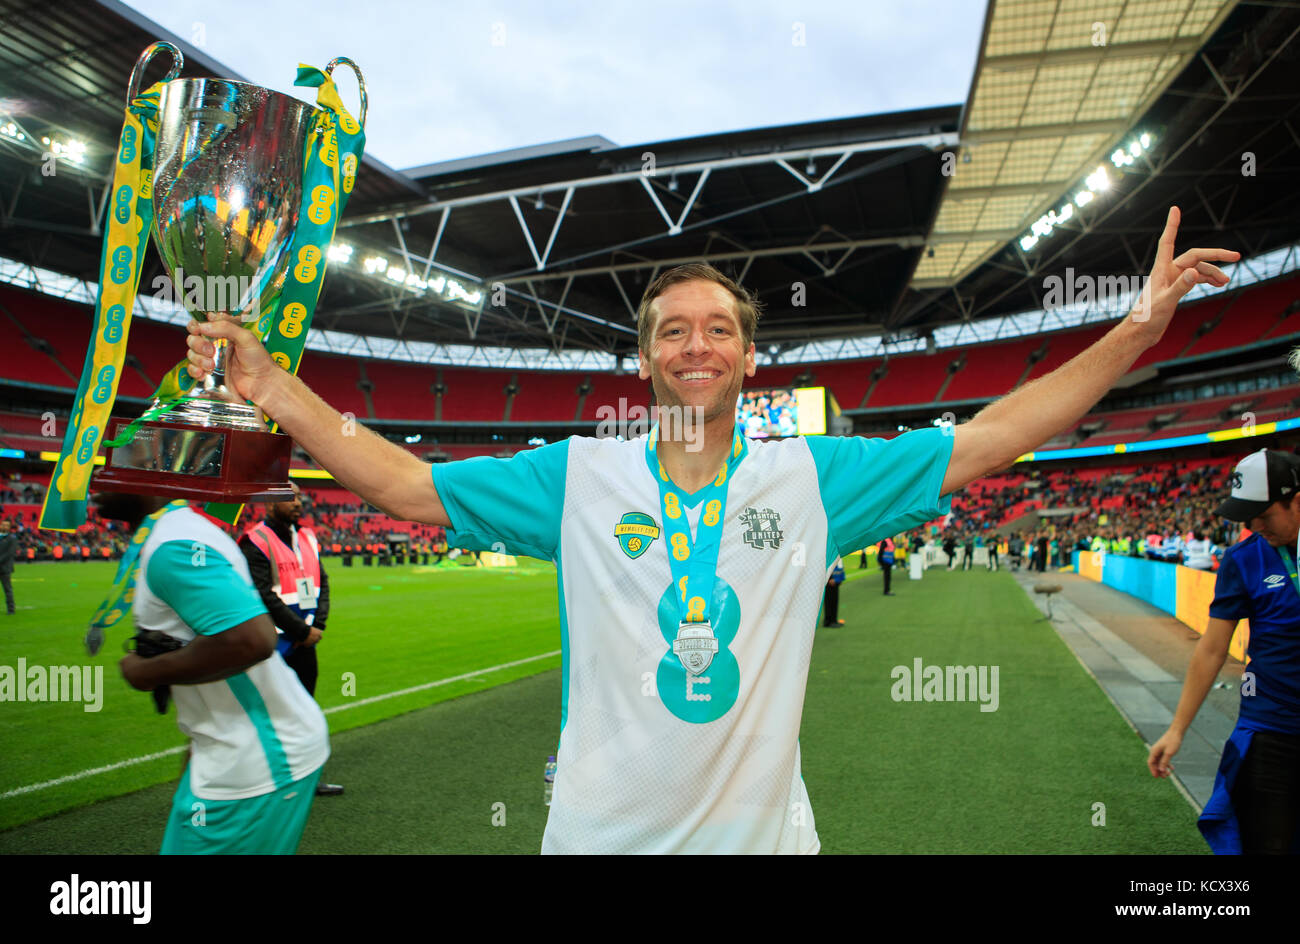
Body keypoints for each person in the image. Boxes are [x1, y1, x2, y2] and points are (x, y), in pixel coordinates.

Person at [186, 211, 1235, 854]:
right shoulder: (578, 474)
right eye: (674, 328)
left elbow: (996, 432)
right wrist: (276, 384)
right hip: (597, 841)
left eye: (719, 327)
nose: (697, 341)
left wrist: (1137, 328)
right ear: (646, 360)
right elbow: (410, 486)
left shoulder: (813, 475)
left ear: (747, 359)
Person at [95, 489, 329, 854]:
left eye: (107, 452)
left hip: (257, 763)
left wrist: (146, 672)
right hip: (235, 755)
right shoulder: (178, 533)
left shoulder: (175, 544)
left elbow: (251, 640)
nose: (91, 474)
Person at [1148, 449, 1300, 854]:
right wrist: (1177, 729)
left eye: (1263, 515)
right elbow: (1212, 650)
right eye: (1248, 517)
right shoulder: (1242, 559)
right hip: (1272, 729)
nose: (1254, 526)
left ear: (1296, 500)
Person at [239, 481, 343, 797]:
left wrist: (316, 626)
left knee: (304, 712)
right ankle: (260, 782)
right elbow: (262, 596)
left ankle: (305, 778)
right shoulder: (255, 541)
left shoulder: (308, 536)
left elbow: (322, 582)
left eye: (300, 497)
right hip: (273, 644)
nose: (298, 503)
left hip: (305, 642)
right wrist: (301, 630)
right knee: (268, 713)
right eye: (290, 498)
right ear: (270, 503)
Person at [823, 557, 845, 627]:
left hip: (835, 581)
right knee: (829, 601)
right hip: (829, 582)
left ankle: (833, 620)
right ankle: (828, 621)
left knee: (834, 600)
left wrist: (840, 579)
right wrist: (829, 579)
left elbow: (840, 568)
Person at [0, 519, 16, 615]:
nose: (4, 527)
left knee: (7, 589)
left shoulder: (12, 538)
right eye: (3, 525)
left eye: (7, 525)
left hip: (5, 568)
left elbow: (10, 553)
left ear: (9, 528)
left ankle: (11, 609)